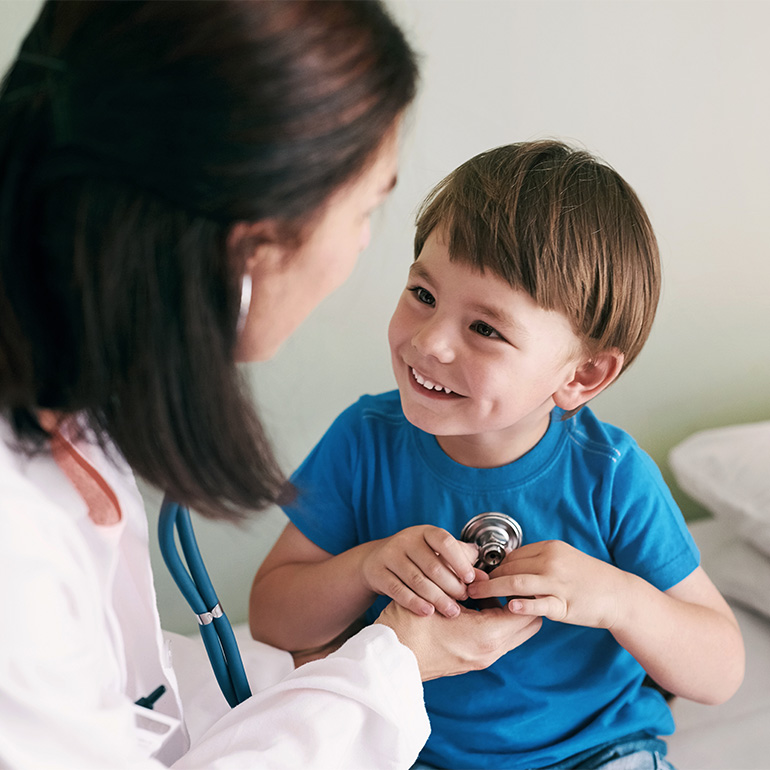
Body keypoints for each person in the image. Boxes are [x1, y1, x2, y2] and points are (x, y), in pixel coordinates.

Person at [0, 2, 543, 767]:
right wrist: (395, 657)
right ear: (247, 251)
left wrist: (362, 670)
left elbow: (124, 697)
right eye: (365, 210)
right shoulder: (13, 554)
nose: (429, 339)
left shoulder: (67, 411)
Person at [249, 140, 746, 770]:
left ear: (583, 375)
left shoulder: (612, 478)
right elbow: (271, 618)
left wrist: (620, 600)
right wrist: (367, 566)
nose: (429, 343)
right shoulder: (365, 439)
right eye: (423, 294)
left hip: (596, 752)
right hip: (412, 749)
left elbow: (721, 670)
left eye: (485, 329)